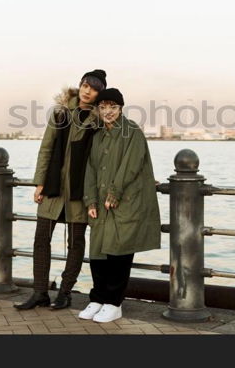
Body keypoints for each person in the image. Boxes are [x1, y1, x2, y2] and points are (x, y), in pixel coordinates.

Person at [14, 69, 106, 310]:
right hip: (54, 187)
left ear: (100, 94)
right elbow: (46, 148)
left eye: (94, 88)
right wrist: (40, 182)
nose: (88, 91)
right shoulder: (61, 112)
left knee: (76, 242)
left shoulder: (100, 120)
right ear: (80, 86)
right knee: (41, 239)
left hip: (81, 190)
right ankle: (39, 293)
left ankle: (65, 293)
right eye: (85, 85)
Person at [78, 88, 161, 323]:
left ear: (121, 108)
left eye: (112, 107)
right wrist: (90, 200)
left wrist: (114, 192)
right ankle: (98, 298)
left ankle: (114, 303)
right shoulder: (97, 136)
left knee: (119, 252)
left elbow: (131, 165)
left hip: (124, 201)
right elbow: (90, 169)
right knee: (98, 253)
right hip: (100, 204)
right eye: (102, 107)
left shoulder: (132, 131)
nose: (107, 112)